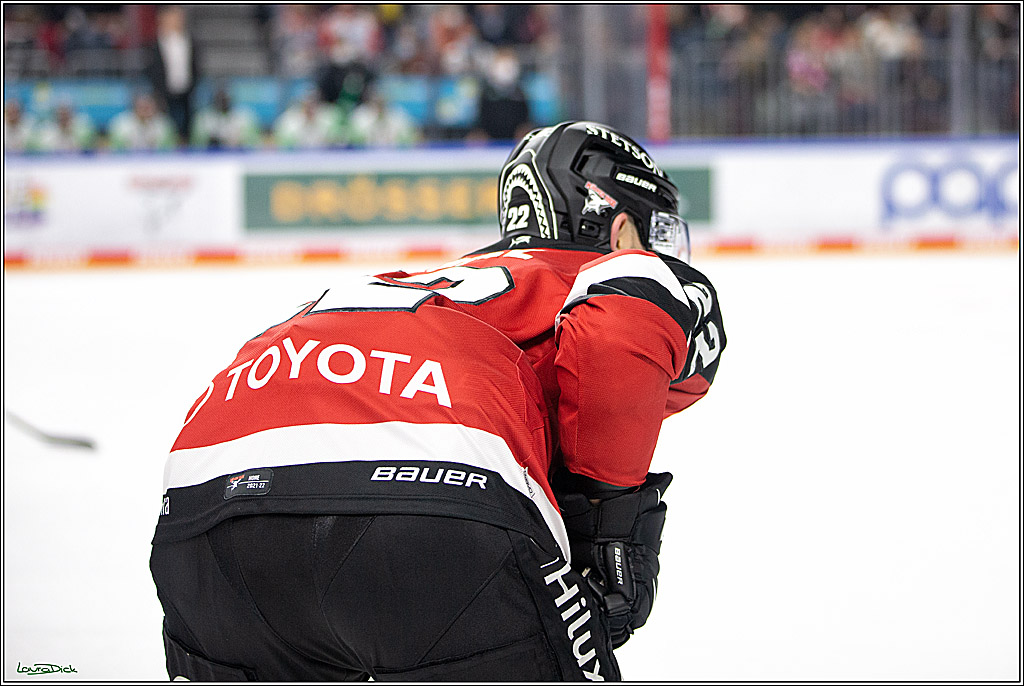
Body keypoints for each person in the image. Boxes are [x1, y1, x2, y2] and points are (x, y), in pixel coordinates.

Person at [150, 120, 726, 681]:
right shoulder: (619, 270)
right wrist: (612, 529)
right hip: (432, 498)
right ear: (624, 231)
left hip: (204, 507)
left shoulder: (428, 280)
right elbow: (620, 326)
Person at [145, 5, 200, 144]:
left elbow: (195, 65)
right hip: (165, 90)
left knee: (187, 122)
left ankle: (186, 145)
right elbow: (153, 68)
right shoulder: (157, 41)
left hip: (186, 89)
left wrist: (193, 84)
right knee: (165, 122)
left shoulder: (188, 40)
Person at [190, 87, 262, 150]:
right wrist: (214, 141)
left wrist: (237, 142)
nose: (222, 101)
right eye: (219, 98)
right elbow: (196, 143)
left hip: (238, 157)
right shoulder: (203, 117)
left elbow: (253, 143)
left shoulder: (244, 116)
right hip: (209, 159)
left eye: (225, 98)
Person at [108, 93, 176, 152]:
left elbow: (169, 150)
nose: (145, 111)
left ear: (154, 107)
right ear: (135, 107)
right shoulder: (121, 123)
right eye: (141, 107)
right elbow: (116, 149)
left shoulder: (164, 124)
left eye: (147, 107)